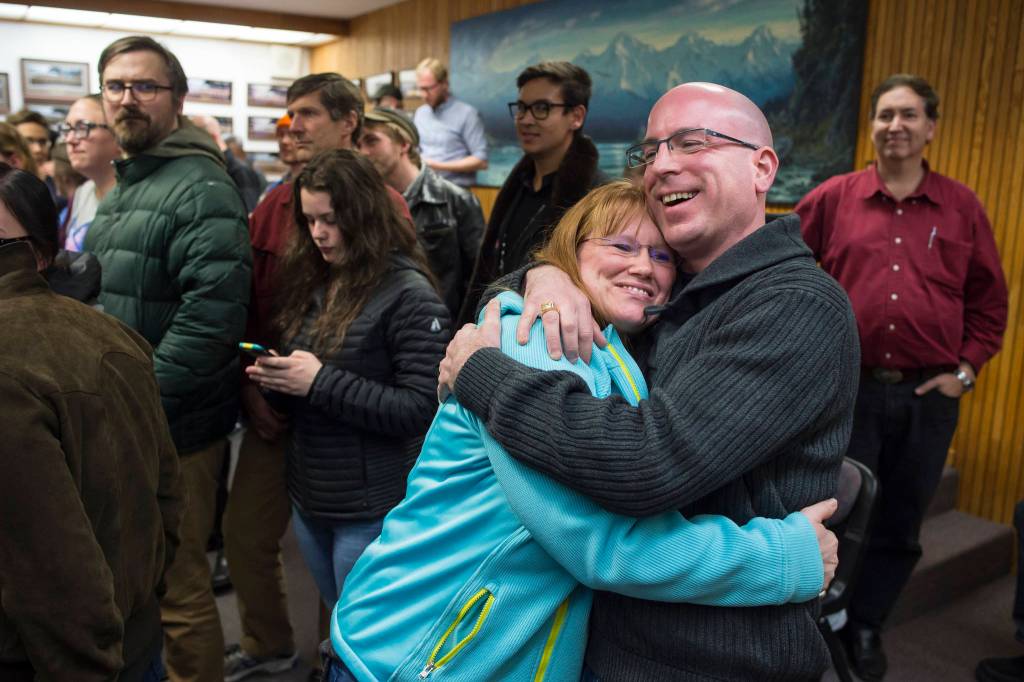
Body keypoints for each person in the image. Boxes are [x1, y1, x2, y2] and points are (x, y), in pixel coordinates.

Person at [323, 180, 839, 682]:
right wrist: (783, 558)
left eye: (663, 258)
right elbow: (601, 545)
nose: (643, 266)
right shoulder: (539, 343)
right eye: (622, 246)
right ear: (572, 252)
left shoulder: (616, 352)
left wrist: (543, 274)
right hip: (411, 650)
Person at [438, 82, 862, 681]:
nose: (661, 164)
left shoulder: (794, 304)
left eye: (692, 142)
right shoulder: (681, 290)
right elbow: (585, 288)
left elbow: (647, 462)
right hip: (613, 633)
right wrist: (547, 276)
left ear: (762, 167)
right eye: (649, 151)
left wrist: (483, 373)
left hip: (708, 659)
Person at [795, 73, 1008, 681]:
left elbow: (989, 302)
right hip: (846, 391)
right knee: (834, 508)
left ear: (930, 128)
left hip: (927, 394)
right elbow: (781, 265)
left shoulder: (962, 206)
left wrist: (964, 373)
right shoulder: (835, 197)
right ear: (872, 125)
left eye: (909, 115)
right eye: (885, 114)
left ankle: (865, 625)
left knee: (899, 521)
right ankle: (820, 615)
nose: (896, 125)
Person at [224, 73, 413, 682]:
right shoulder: (276, 202)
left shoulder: (384, 215)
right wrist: (254, 382)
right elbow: (260, 305)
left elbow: (405, 381)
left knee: (352, 588)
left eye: (305, 114)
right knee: (256, 537)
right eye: (288, 116)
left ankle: (334, 660)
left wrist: (321, 383)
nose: (293, 127)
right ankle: (278, 647)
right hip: (283, 407)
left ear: (348, 121)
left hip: (350, 438)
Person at [83, 35, 252, 682]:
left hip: (173, 428)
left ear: (177, 99)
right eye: (115, 86)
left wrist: (134, 402)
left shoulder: (199, 187)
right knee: (141, 583)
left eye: (144, 86)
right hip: (129, 420)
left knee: (180, 595)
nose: (127, 98)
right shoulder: (130, 181)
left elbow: (211, 323)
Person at [0, 162, 184, 682]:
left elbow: (52, 565)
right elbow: (168, 500)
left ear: (38, 251)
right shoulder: (113, 335)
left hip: (62, 662)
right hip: (129, 640)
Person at [245, 148, 449, 616]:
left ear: (364, 216)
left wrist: (317, 382)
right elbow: (321, 381)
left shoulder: (409, 294)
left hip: (371, 506)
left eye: (332, 219)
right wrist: (281, 381)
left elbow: (421, 408)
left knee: (363, 635)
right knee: (341, 623)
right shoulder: (316, 278)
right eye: (310, 220)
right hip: (313, 493)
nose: (319, 233)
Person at [459, 61, 606, 325]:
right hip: (493, 326)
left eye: (542, 109)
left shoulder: (596, 198)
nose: (526, 119)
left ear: (576, 116)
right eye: (522, 108)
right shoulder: (519, 186)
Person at [359, 107, 485, 319]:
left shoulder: (455, 200)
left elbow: (479, 278)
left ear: (403, 144)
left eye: (372, 141)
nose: (363, 152)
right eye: (359, 144)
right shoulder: (365, 204)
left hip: (444, 326)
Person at [413, 57, 487, 188]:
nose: (424, 95)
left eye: (428, 89)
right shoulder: (420, 113)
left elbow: (481, 161)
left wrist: (435, 165)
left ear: (444, 85)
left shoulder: (467, 114)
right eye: (421, 89)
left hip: (456, 193)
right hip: (425, 188)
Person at [61, 94, 120, 252]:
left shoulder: (138, 198)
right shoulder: (82, 192)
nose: (70, 139)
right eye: (67, 129)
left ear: (118, 134)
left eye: (82, 128)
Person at [191, 115, 263, 212]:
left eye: (194, 137)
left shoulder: (240, 171)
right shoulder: (216, 166)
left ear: (211, 137)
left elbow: (250, 214)